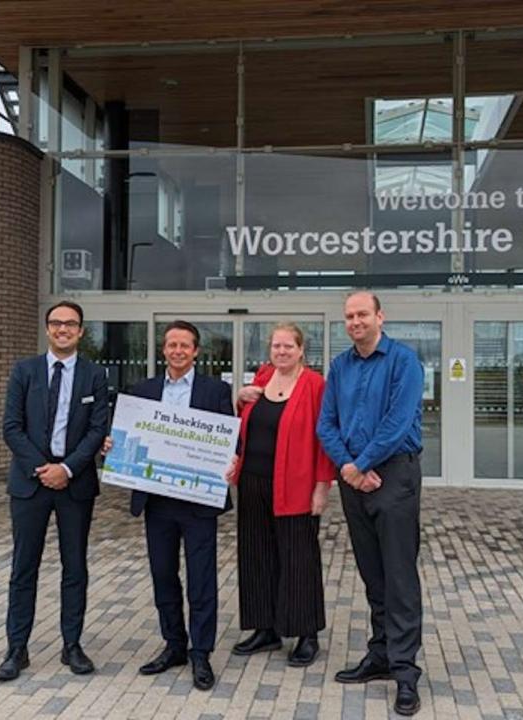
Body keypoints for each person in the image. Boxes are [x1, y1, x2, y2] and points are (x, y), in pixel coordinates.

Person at [316, 292, 425, 717]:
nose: (355, 321)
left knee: (399, 575)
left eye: (362, 314)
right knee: (371, 571)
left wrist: (360, 464)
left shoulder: (403, 360)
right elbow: (326, 422)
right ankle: (379, 654)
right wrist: (348, 466)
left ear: (380, 317)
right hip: (353, 478)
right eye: (349, 316)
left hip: (393, 474)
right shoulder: (341, 366)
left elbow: (398, 423)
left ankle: (404, 671)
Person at [115, 320, 234, 691]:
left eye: (185, 345)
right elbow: (126, 434)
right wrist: (113, 447)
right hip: (158, 501)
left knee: (202, 580)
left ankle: (201, 653)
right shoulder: (144, 390)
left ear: (196, 351)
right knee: (163, 575)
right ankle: (174, 645)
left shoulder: (216, 390)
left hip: (199, 501)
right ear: (163, 350)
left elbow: (230, 439)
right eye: (172, 345)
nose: (178, 351)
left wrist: (232, 460)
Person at [0, 301, 110, 681]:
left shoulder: (95, 375)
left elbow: (97, 429)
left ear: (81, 331)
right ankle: (17, 648)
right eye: (56, 323)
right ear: (48, 329)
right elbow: (12, 427)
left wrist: (67, 468)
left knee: (74, 567)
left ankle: (72, 645)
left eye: (71, 324)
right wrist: (42, 469)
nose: (63, 329)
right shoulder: (24, 371)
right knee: (23, 568)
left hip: (74, 484)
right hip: (30, 484)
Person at [227, 323, 334, 667]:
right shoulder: (262, 377)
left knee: (298, 558)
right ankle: (266, 628)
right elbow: (244, 425)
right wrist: (238, 400)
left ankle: (306, 634)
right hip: (253, 482)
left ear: (302, 350)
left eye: (289, 346)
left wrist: (322, 487)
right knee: (257, 554)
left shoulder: (315, 385)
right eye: (276, 346)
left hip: (295, 485)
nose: (282, 352)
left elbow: (324, 439)